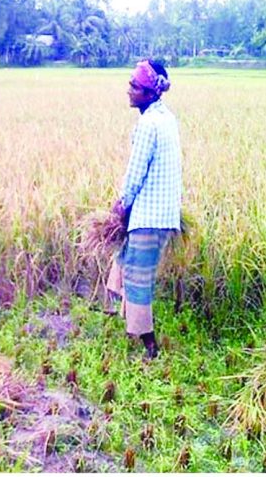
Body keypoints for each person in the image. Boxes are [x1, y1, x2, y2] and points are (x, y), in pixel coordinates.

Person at [106, 59, 181, 360]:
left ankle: (149, 346)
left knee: (138, 278)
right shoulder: (166, 117)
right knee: (124, 260)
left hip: (148, 217)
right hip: (161, 215)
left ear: (149, 93)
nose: (129, 90)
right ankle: (119, 314)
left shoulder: (148, 124)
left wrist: (120, 206)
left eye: (135, 86)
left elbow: (135, 173)